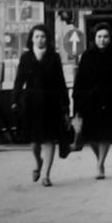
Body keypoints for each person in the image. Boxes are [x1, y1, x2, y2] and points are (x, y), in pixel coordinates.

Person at [72, 23, 112, 180]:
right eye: (99, 36)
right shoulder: (87, 56)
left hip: (110, 101)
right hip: (90, 101)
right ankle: (99, 159)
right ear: (95, 38)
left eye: (105, 37)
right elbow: (79, 80)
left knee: (106, 134)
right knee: (91, 136)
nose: (102, 40)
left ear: (110, 38)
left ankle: (100, 165)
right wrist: (77, 100)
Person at [11, 24, 70, 187]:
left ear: (48, 39)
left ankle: (46, 175)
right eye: (37, 36)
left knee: (50, 139)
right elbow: (19, 80)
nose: (40, 39)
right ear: (31, 39)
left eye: (43, 36)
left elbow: (61, 82)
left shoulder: (54, 57)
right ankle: (38, 162)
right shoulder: (26, 57)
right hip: (32, 104)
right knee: (35, 142)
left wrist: (65, 104)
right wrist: (15, 99)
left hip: (51, 104)